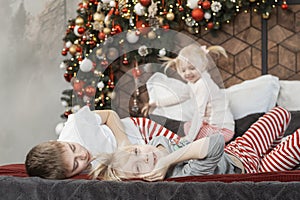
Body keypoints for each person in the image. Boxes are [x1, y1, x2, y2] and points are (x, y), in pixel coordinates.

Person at [90, 106, 300, 181]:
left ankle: (275, 149)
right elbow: (216, 142)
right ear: (145, 178)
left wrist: (126, 148)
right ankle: (280, 154)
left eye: (137, 151)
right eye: (139, 166)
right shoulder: (182, 175)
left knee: (280, 113)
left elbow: (111, 117)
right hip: (253, 169)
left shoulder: (154, 144)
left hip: (240, 149)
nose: (144, 156)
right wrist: (167, 161)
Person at [25, 106, 181, 179]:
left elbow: (109, 114)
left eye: (72, 148)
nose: (82, 155)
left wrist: (123, 142)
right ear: (67, 175)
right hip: (140, 161)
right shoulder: (83, 176)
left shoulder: (76, 125)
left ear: (56, 141)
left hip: (139, 131)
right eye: (75, 165)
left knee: (179, 147)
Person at [142, 43, 235, 143]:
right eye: (183, 70)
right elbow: (180, 97)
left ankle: (198, 147)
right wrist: (155, 103)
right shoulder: (193, 84)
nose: (187, 73)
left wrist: (189, 139)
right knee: (187, 125)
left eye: (192, 68)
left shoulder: (203, 84)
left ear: (203, 65)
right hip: (212, 127)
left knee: (191, 131)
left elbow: (199, 114)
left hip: (222, 130)